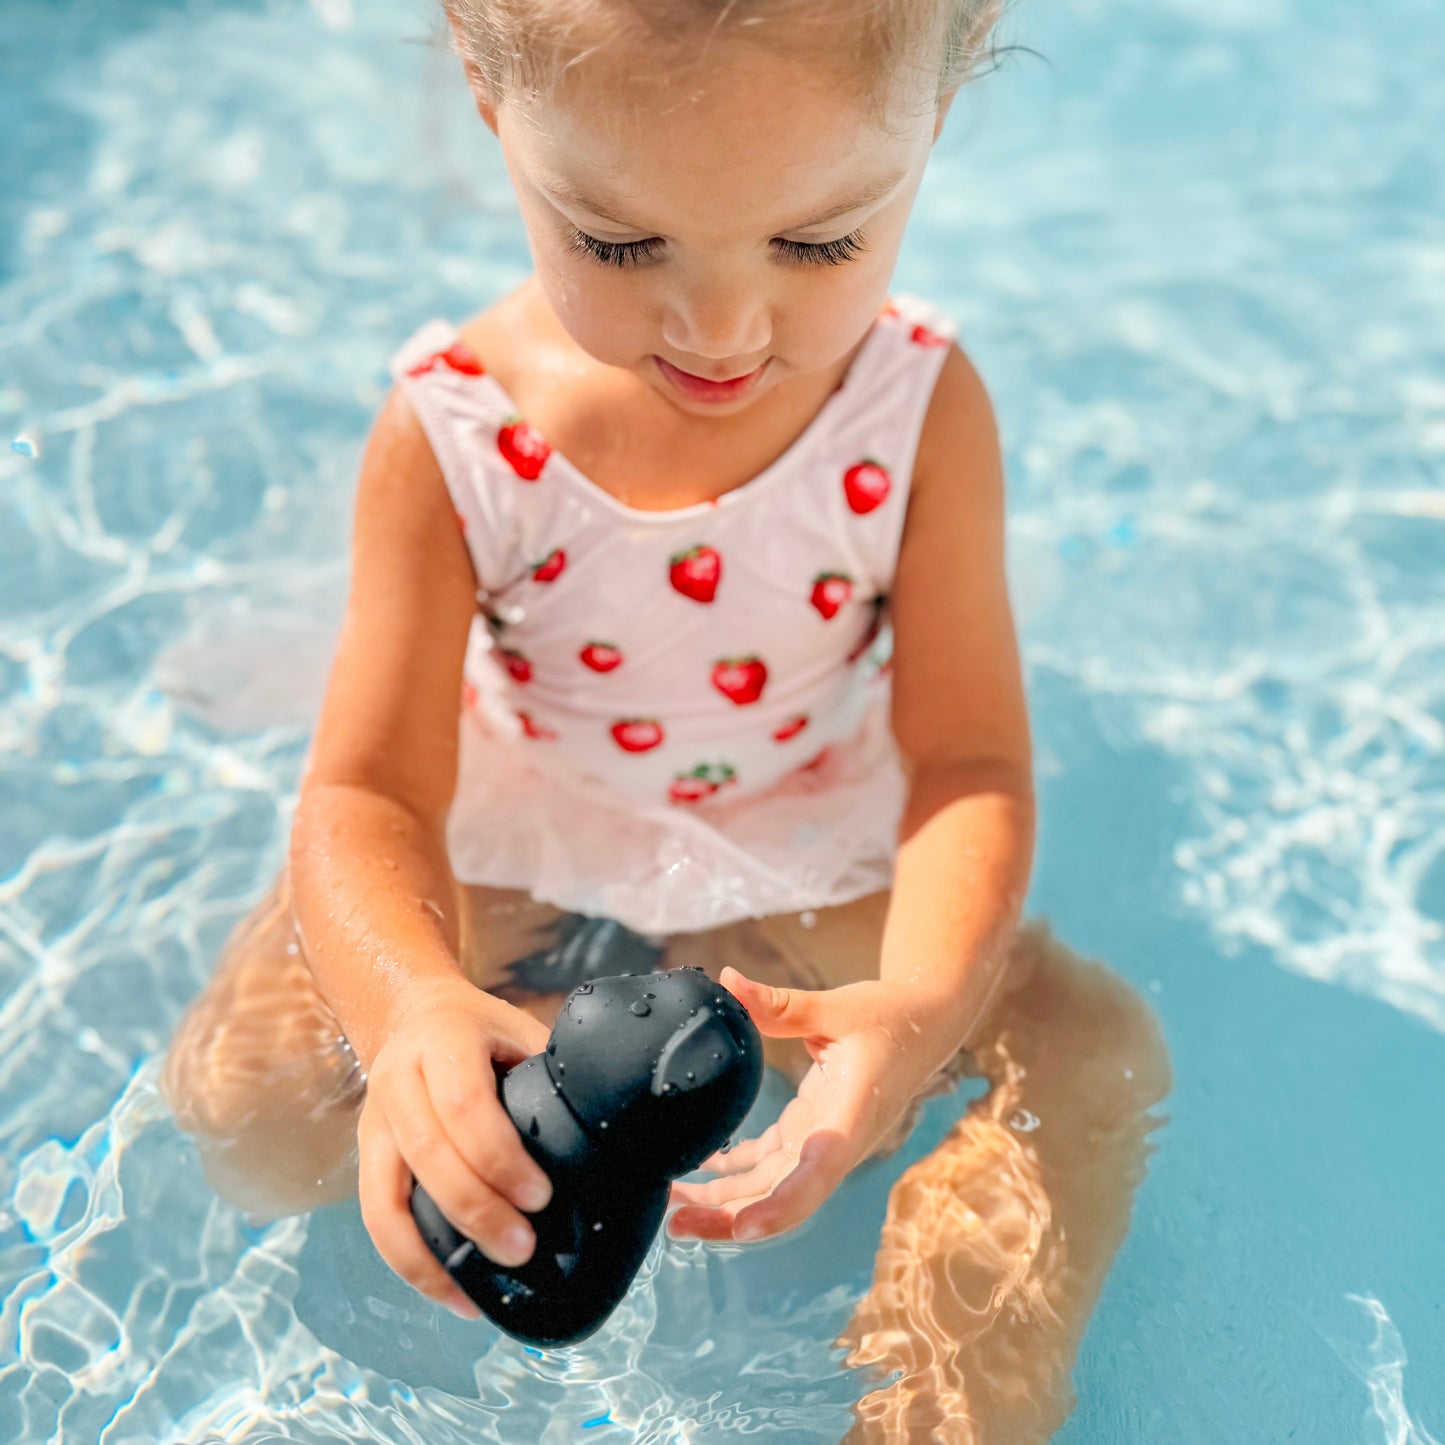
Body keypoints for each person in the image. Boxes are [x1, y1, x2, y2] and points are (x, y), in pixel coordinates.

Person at [163, 1, 1170, 1436]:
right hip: (533, 819)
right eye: (618, 245)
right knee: (249, 1103)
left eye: (818, 242)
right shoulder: (453, 435)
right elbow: (368, 790)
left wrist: (910, 1004)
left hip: (798, 820)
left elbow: (965, 764)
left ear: (935, 116)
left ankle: (946, 1399)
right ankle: (503, 1053)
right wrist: (412, 1016)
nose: (719, 329)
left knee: (1089, 1053)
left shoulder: (919, 410)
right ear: (490, 99)